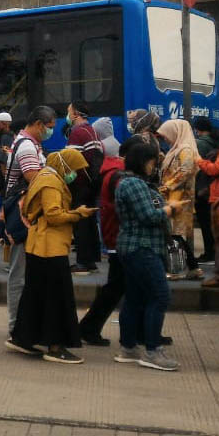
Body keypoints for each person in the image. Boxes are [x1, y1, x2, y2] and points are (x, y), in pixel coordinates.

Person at [7, 148, 92, 364]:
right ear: (65, 165)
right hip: (50, 246)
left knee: (35, 295)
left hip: (38, 245)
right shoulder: (52, 182)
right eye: (74, 169)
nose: (75, 174)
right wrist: (77, 214)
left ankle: (23, 339)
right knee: (58, 297)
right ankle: (55, 346)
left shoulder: (43, 176)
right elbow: (53, 215)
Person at [114, 139, 180, 371]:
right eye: (152, 162)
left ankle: (129, 347)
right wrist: (169, 209)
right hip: (142, 248)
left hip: (136, 248)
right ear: (143, 161)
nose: (154, 167)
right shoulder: (133, 184)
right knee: (160, 296)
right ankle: (152, 351)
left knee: (135, 298)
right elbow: (148, 216)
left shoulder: (134, 183)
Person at [2, 106, 55, 337]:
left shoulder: (29, 144)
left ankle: (27, 323)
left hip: (28, 217)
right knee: (19, 274)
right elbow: (35, 180)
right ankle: (16, 326)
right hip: (24, 218)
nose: (50, 132)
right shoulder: (26, 147)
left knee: (26, 273)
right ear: (38, 124)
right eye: (49, 127)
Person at [78, 135, 133, 344]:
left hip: (115, 239)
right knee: (115, 288)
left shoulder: (111, 171)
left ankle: (89, 327)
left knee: (116, 288)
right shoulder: (118, 176)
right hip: (118, 240)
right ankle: (89, 327)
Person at [158, 119, 202, 281]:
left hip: (180, 199)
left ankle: (177, 270)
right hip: (173, 198)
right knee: (176, 235)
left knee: (175, 235)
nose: (166, 139)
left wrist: (168, 185)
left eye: (167, 135)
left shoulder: (185, 150)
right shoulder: (176, 150)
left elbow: (186, 170)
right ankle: (193, 268)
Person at [65, 102, 103, 274]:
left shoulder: (77, 133)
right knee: (89, 221)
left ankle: (82, 261)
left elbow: (70, 161)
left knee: (80, 221)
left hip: (80, 184)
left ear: (76, 115)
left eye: (69, 112)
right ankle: (91, 260)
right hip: (92, 183)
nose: (67, 115)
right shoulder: (91, 131)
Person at [193, 117, 218, 263]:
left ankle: (209, 253)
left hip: (204, 190)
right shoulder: (214, 141)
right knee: (213, 224)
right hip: (213, 189)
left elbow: (210, 168)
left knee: (205, 223)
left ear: (197, 129)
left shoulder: (200, 144)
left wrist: (198, 160)